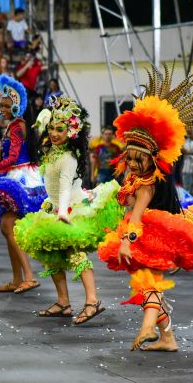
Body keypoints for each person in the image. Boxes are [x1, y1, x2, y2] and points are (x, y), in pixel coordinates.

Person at [97, 70, 193, 352]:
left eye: (139, 159)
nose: (133, 163)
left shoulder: (147, 186)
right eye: (130, 157)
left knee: (149, 285)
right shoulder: (138, 180)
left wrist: (127, 242)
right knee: (146, 285)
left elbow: (137, 217)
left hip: (151, 238)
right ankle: (167, 338)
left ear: (153, 159)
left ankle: (147, 328)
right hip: (150, 237)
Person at [14, 96, 123, 321]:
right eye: (52, 128)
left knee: (75, 253)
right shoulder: (51, 151)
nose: (54, 133)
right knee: (51, 254)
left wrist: (62, 210)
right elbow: (51, 183)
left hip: (71, 208)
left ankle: (92, 301)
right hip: (55, 207)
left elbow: (64, 187)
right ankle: (63, 302)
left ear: (71, 132)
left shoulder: (68, 158)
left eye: (60, 129)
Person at [0, 75, 46, 294]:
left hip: (22, 178)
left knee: (9, 227)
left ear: (17, 106)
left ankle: (29, 276)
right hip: (15, 175)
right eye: (1, 104)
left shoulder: (17, 127)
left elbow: (14, 156)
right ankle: (18, 278)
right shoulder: (14, 126)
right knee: (7, 227)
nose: (2, 108)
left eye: (6, 105)